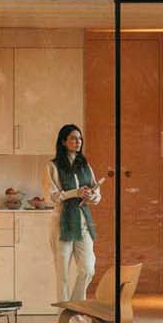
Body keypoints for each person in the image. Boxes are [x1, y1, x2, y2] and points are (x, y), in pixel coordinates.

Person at [45, 123, 102, 304]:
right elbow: (51, 197)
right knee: (62, 275)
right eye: (73, 138)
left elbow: (97, 193)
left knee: (88, 269)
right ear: (63, 142)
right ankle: (64, 314)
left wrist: (93, 195)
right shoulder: (52, 166)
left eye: (79, 138)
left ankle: (75, 308)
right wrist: (75, 193)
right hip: (62, 222)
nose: (78, 141)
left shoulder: (85, 166)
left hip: (83, 222)